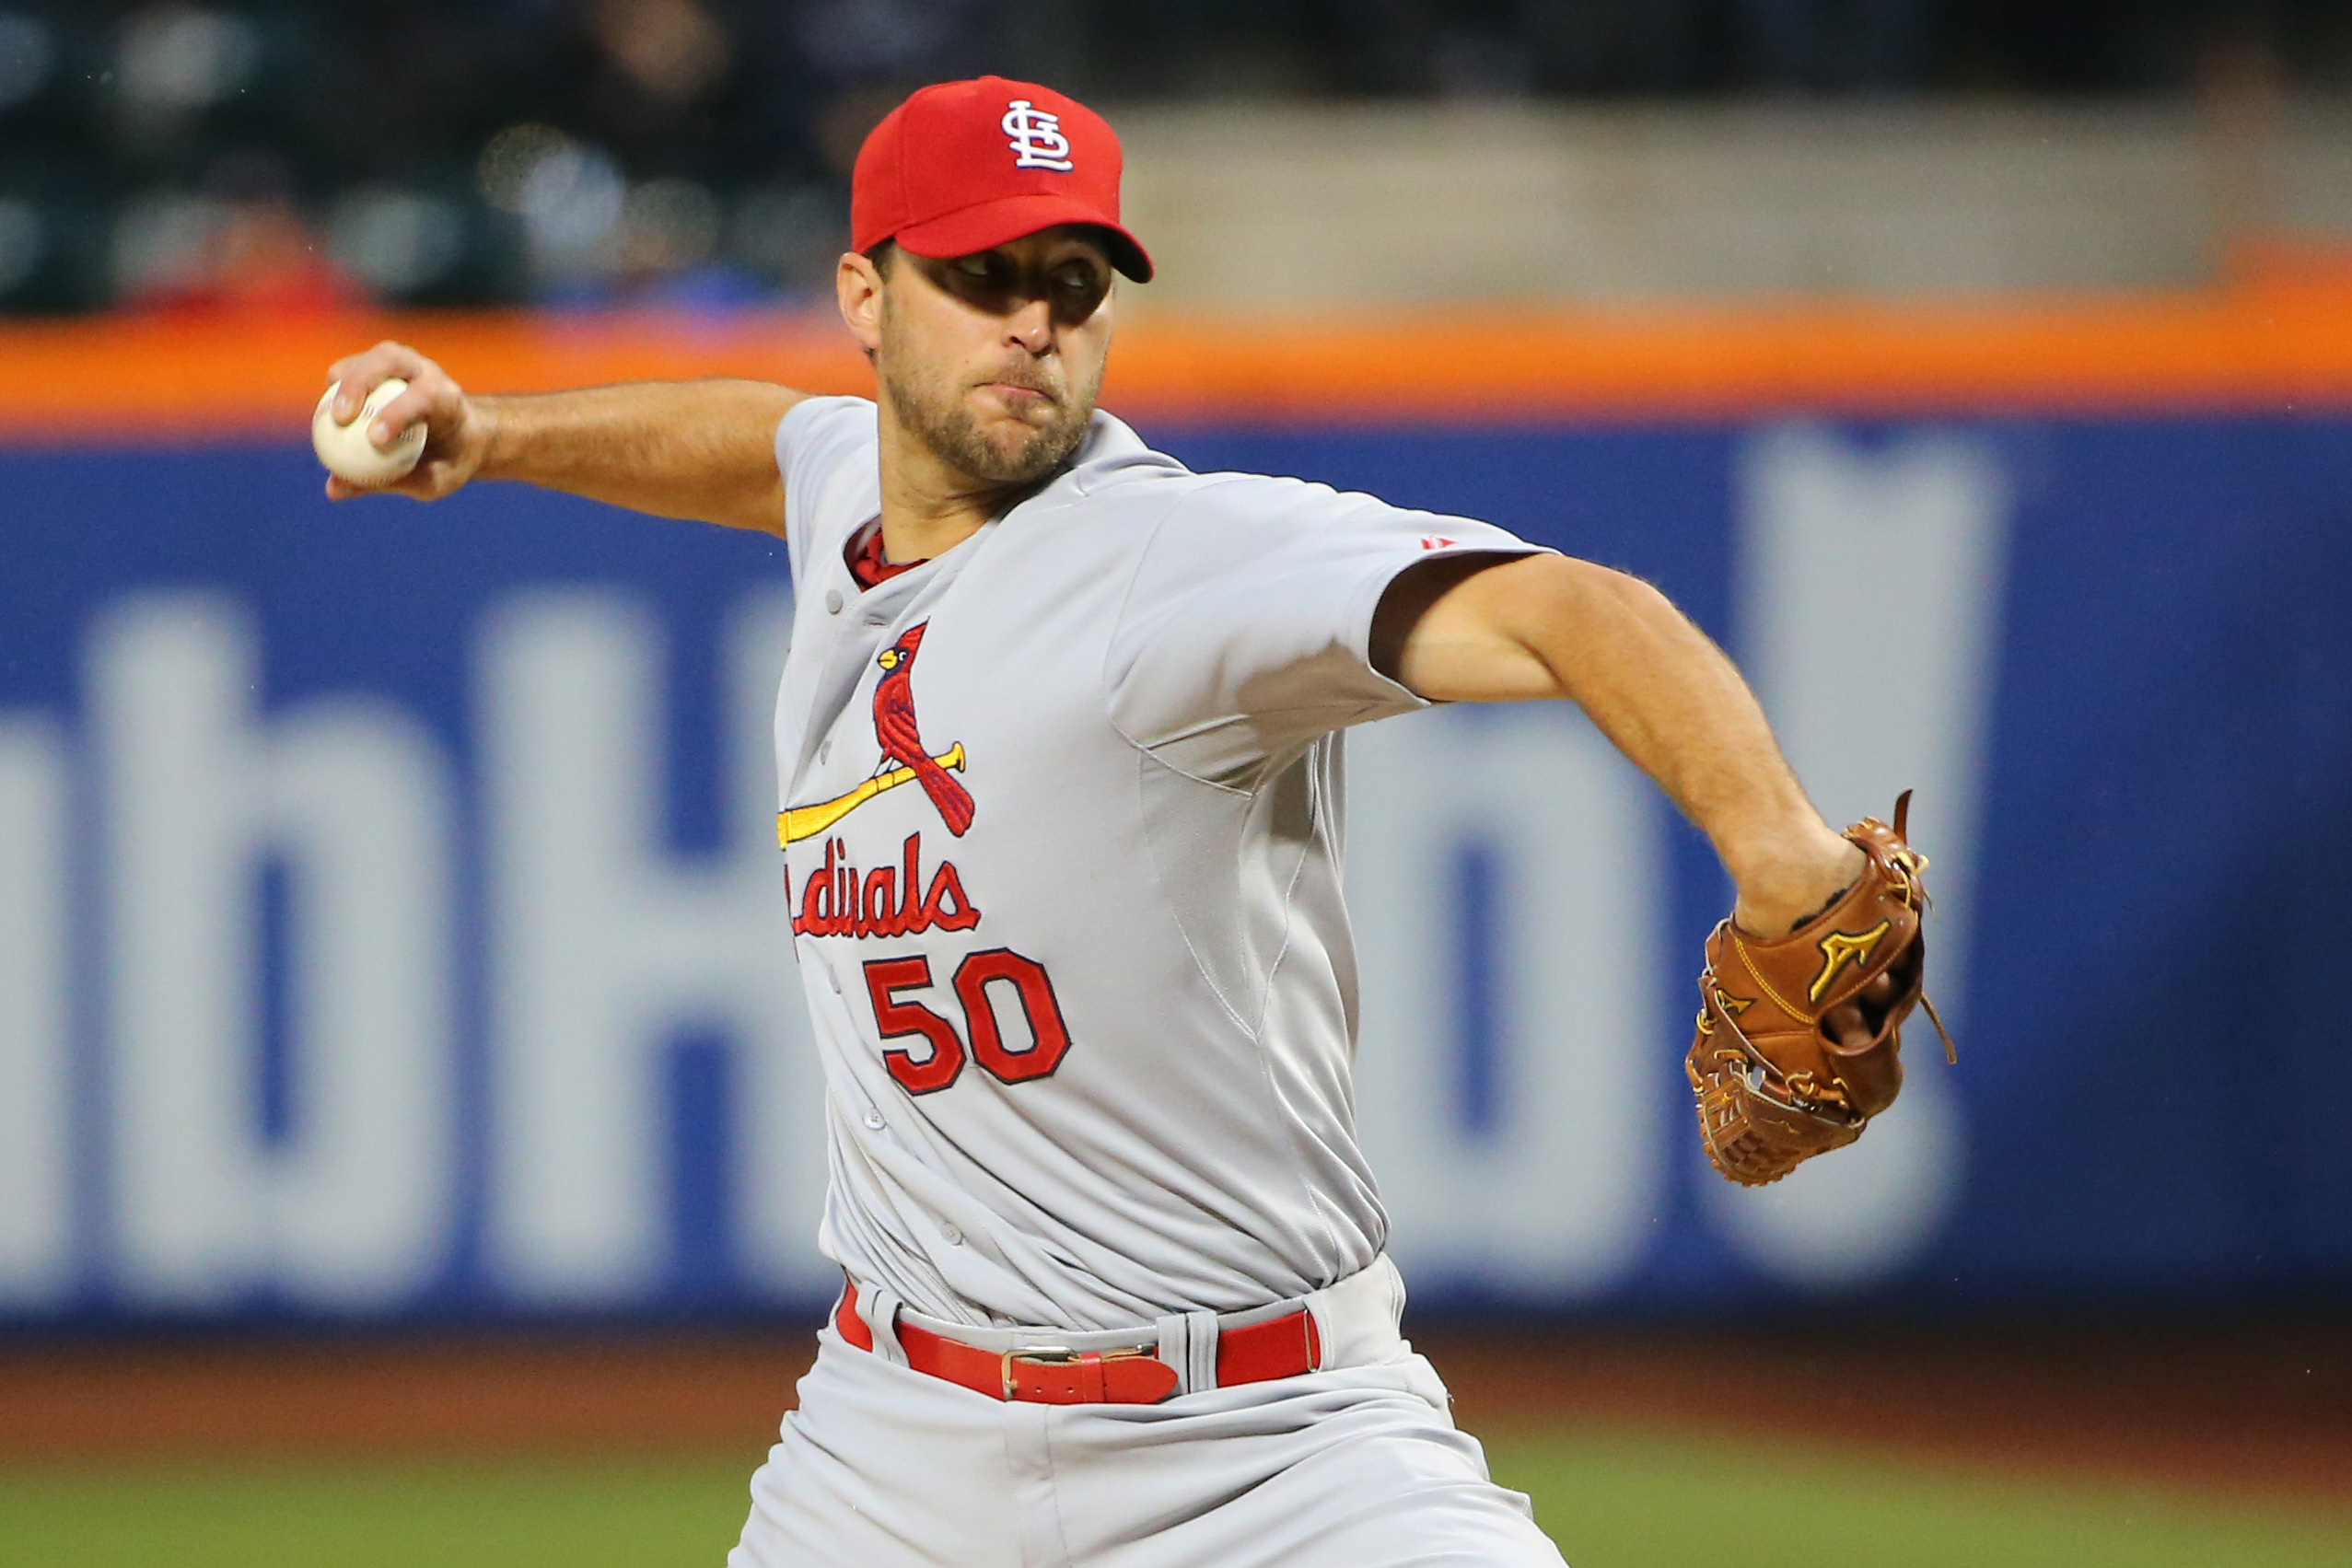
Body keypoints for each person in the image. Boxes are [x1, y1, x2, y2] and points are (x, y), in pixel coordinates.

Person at [323, 75, 1869, 1568]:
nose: (1032, 323)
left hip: (1273, 1447)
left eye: (1072, 281)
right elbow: (770, 443)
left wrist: (1784, 858)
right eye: (981, 274)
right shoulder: (851, 495)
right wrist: (501, 437)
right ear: (864, 297)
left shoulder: (1171, 566)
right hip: (894, 1438)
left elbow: (1569, 610)